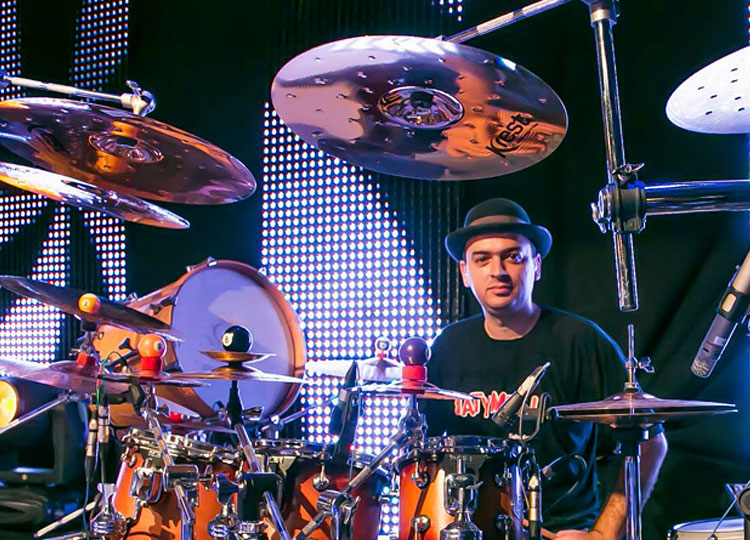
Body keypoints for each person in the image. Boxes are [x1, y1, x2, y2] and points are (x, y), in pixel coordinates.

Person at [421, 198, 667, 539]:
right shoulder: (447, 346)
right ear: (465, 272)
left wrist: (604, 535)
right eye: (482, 259)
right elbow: (424, 454)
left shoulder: (579, 340)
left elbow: (650, 442)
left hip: (560, 531)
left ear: (536, 265)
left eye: (513, 256)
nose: (498, 271)